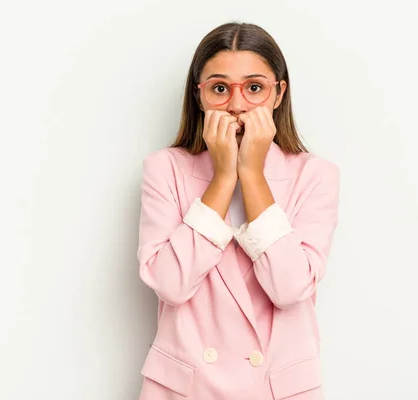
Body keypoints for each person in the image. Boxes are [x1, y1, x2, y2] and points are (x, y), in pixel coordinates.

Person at [137, 21, 341, 400]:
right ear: (199, 96)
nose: (236, 104)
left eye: (254, 88)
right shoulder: (164, 169)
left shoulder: (315, 175)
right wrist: (222, 179)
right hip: (185, 387)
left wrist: (251, 173)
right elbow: (170, 283)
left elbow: (290, 287)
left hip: (277, 389)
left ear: (279, 94)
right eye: (219, 88)